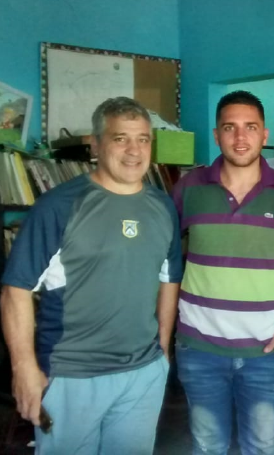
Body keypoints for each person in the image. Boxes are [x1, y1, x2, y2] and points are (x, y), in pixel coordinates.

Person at [0, 96, 183, 453]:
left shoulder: (163, 206)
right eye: (120, 138)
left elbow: (169, 278)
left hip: (142, 373)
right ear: (96, 145)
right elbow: (15, 291)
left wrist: (161, 351)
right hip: (72, 374)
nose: (134, 150)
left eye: (143, 139)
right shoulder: (58, 206)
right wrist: (24, 368)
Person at [172, 90, 274, 455]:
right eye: (230, 127)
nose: (240, 137)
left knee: (263, 446)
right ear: (216, 134)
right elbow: (166, 258)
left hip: (266, 348)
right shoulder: (189, 189)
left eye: (250, 127)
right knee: (208, 446)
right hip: (199, 347)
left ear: (264, 135)